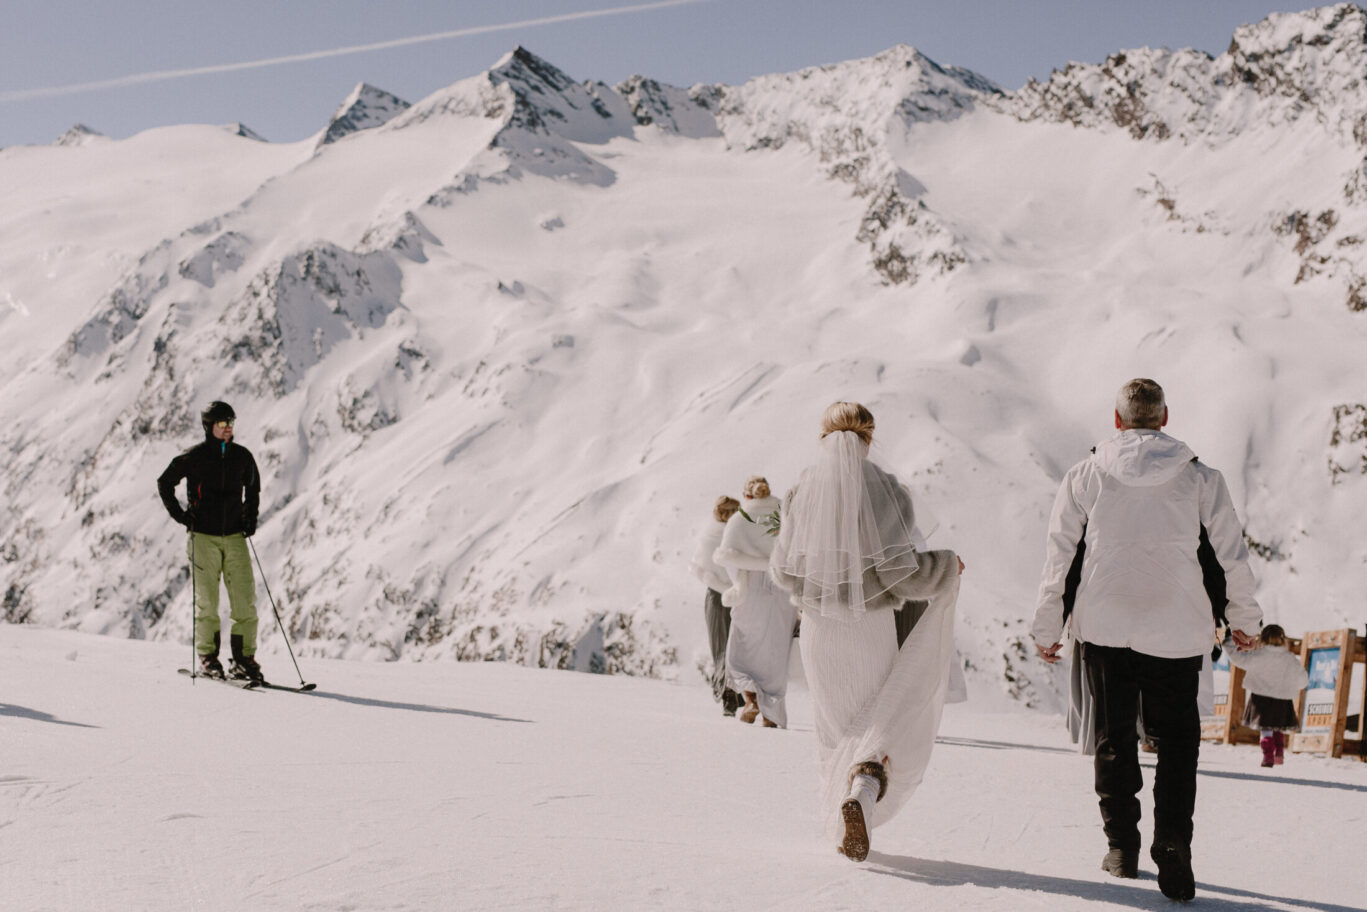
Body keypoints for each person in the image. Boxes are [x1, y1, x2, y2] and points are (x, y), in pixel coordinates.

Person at [1032, 379, 1262, 902]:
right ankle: (1174, 842)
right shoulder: (1201, 477)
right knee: (1179, 743)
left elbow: (1060, 556)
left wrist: (1049, 627)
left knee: (1115, 739)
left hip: (1106, 625)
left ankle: (1122, 846)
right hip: (1178, 629)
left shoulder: (1084, 475)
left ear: (1117, 421)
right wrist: (1242, 618)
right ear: (1164, 418)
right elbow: (1230, 555)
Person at [770, 402, 963, 863]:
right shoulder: (888, 489)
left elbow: (781, 572)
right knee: (880, 724)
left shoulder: (802, 491)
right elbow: (907, 575)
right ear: (869, 438)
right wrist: (946, 567)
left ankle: (848, 815)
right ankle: (864, 790)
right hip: (870, 630)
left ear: (824, 437)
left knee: (834, 731)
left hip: (819, 632)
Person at [157, 401, 265, 682]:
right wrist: (182, 516)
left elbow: (253, 487)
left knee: (244, 600)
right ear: (209, 426)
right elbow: (164, 482)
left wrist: (249, 518)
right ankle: (208, 659)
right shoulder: (194, 457)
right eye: (222, 424)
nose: (228, 428)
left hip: (234, 537)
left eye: (231, 423)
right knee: (207, 602)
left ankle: (244, 660)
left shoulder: (243, 457)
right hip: (202, 538)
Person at [714, 476, 795, 728]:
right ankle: (772, 712)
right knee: (776, 651)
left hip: (751, 589)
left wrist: (738, 584)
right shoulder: (785, 514)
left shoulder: (741, 519)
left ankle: (751, 699)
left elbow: (728, 558)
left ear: (747, 495)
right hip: (782, 586)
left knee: (743, 647)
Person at [689, 495, 743, 716]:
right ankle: (729, 695)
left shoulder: (732, 535)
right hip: (725, 597)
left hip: (729, 596)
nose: (730, 515)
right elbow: (699, 567)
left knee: (729, 647)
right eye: (727, 511)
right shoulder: (714, 537)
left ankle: (734, 694)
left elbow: (698, 567)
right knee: (724, 647)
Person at [1225, 624, 1307, 767]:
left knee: (1266, 730)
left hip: (1261, 698)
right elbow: (1302, 679)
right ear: (1283, 640)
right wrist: (1295, 686)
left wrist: (1228, 642)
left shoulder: (1259, 655)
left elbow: (1239, 659)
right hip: (1283, 700)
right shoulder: (1289, 658)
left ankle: (1268, 756)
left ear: (1262, 638)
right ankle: (1279, 752)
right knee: (1277, 726)